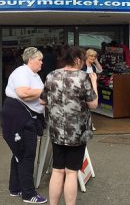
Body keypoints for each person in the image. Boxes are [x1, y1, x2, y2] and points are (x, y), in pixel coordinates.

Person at [41, 46, 98, 205]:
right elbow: (93, 104)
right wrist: (94, 82)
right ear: (78, 60)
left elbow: (42, 100)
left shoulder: (51, 75)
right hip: (77, 132)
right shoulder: (83, 77)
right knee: (71, 172)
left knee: (57, 170)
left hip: (56, 130)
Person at [1, 47, 47, 204]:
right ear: (30, 60)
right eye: (39, 59)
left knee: (18, 154)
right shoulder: (22, 72)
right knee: (26, 155)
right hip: (20, 118)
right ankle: (28, 194)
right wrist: (45, 90)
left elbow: (41, 98)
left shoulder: (33, 75)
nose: (42, 62)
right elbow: (23, 93)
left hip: (25, 116)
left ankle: (15, 188)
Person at [82, 49, 103, 131]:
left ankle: (89, 124)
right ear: (87, 56)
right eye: (91, 56)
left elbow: (100, 70)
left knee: (89, 107)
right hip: (83, 88)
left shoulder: (93, 66)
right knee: (84, 107)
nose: (93, 58)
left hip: (91, 89)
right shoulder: (83, 66)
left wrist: (96, 61)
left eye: (94, 56)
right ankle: (86, 124)